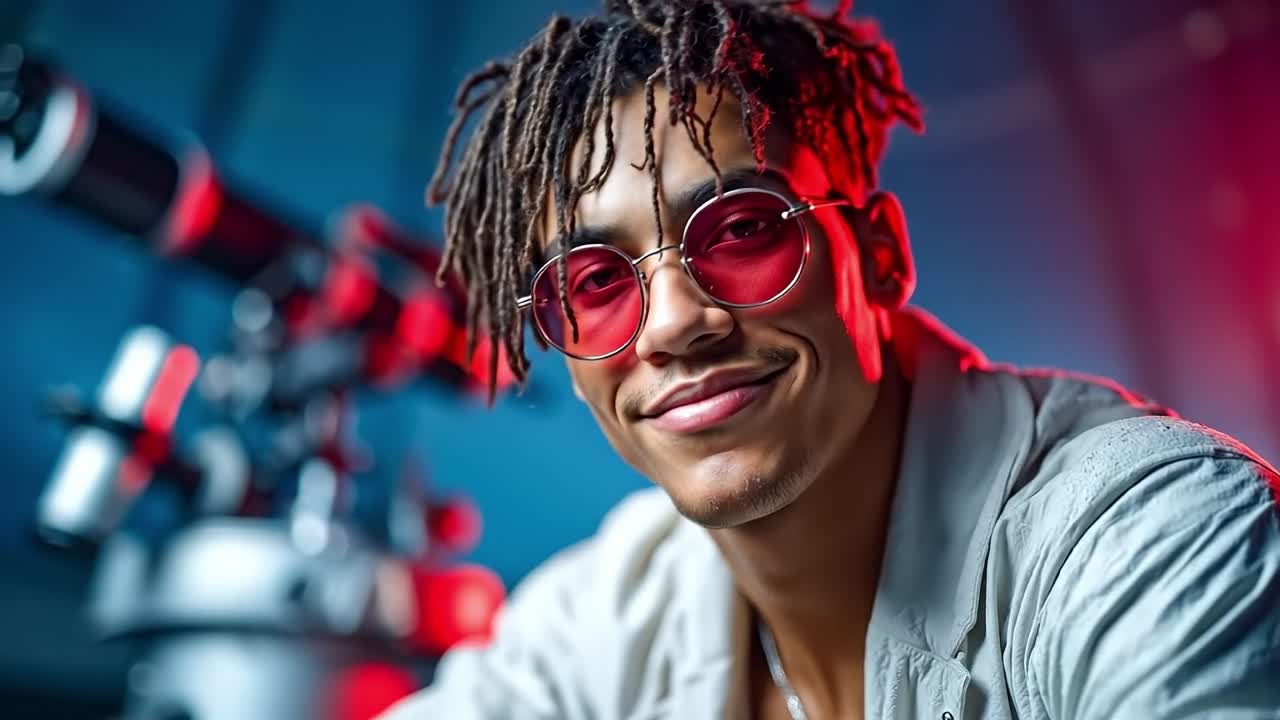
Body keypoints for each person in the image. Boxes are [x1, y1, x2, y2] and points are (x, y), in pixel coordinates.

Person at [382, 1, 1280, 717]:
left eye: (741, 229)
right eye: (595, 281)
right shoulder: (606, 613)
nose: (674, 324)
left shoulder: (1150, 540)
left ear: (880, 255)